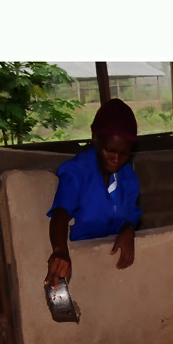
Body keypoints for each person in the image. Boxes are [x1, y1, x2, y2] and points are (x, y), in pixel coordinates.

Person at [45, 98, 141, 289]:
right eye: (109, 151)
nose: (116, 160)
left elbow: (131, 210)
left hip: (109, 265)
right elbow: (61, 212)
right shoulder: (77, 172)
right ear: (95, 137)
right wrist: (60, 250)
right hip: (83, 258)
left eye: (124, 154)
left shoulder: (127, 175)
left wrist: (128, 229)